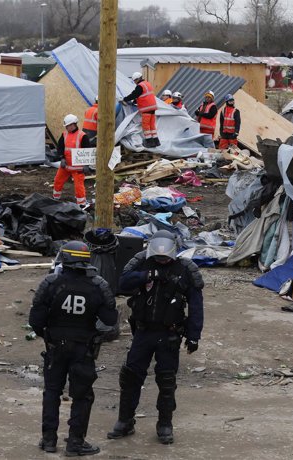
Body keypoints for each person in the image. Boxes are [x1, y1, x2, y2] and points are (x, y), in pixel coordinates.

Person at [106, 230, 204, 445]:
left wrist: (194, 336)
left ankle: (165, 424)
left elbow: (196, 305)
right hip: (143, 332)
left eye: (165, 253)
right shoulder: (141, 262)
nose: (161, 257)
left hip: (169, 334)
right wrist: (147, 276)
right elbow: (122, 283)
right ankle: (125, 421)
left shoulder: (185, 269)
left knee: (166, 381)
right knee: (131, 376)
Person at [30, 240, 118, 456]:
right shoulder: (98, 285)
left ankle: (49, 440)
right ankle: (75, 444)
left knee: (52, 392)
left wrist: (49, 335)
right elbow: (109, 321)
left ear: (65, 259)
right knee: (82, 396)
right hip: (83, 349)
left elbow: (35, 320)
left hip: (55, 347)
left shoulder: (50, 283)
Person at [53, 114, 92, 207]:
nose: (66, 128)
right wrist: (61, 158)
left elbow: (87, 151)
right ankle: (55, 198)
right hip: (65, 166)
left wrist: (86, 165)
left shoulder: (82, 136)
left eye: (67, 126)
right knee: (57, 181)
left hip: (77, 168)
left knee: (79, 187)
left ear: (73, 124)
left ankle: (81, 204)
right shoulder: (64, 134)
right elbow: (60, 147)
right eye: (66, 126)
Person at [123, 72, 160, 148]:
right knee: (152, 125)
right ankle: (156, 141)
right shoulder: (147, 84)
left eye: (134, 81)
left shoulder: (140, 86)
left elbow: (135, 94)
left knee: (146, 125)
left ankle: (149, 142)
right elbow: (143, 96)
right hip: (152, 107)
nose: (135, 83)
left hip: (146, 108)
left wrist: (125, 99)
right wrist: (135, 101)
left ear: (137, 79)